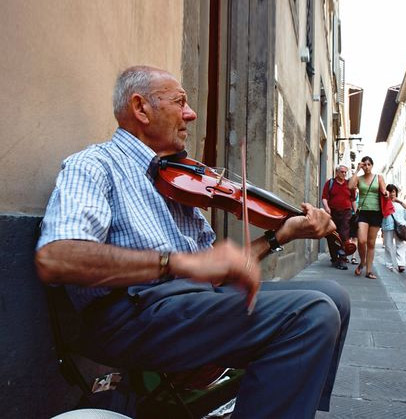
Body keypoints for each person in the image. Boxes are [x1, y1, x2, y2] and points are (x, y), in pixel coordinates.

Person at [35, 65, 350, 418]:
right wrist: (176, 263)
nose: (191, 113)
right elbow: (56, 258)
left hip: (189, 302)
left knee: (335, 298)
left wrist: (280, 236)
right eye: (180, 102)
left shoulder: (178, 178)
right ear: (141, 109)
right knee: (311, 314)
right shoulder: (94, 165)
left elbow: (215, 272)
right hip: (133, 314)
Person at [348, 156, 389, 279]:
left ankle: (369, 271)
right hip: (363, 212)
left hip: (376, 213)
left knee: (371, 243)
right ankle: (362, 262)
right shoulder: (359, 179)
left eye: (368, 165)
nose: (366, 167)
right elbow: (350, 186)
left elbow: (384, 190)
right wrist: (356, 171)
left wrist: (386, 194)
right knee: (361, 241)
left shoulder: (379, 177)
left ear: (372, 165)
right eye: (364, 165)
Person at [322, 165, 356, 270]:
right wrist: (327, 208)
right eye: (342, 172)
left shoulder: (349, 184)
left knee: (344, 235)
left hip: (346, 213)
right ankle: (334, 258)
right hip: (333, 213)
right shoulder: (330, 183)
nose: (344, 174)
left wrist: (356, 211)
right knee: (331, 235)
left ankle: (342, 258)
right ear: (337, 172)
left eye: (346, 172)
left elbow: (353, 199)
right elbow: (324, 197)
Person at [381, 184, 406, 272]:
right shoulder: (384, 202)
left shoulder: (400, 203)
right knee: (388, 245)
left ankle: (401, 264)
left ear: (396, 192)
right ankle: (389, 263)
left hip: (400, 226)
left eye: (393, 191)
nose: (391, 193)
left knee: (400, 245)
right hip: (388, 226)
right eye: (390, 191)